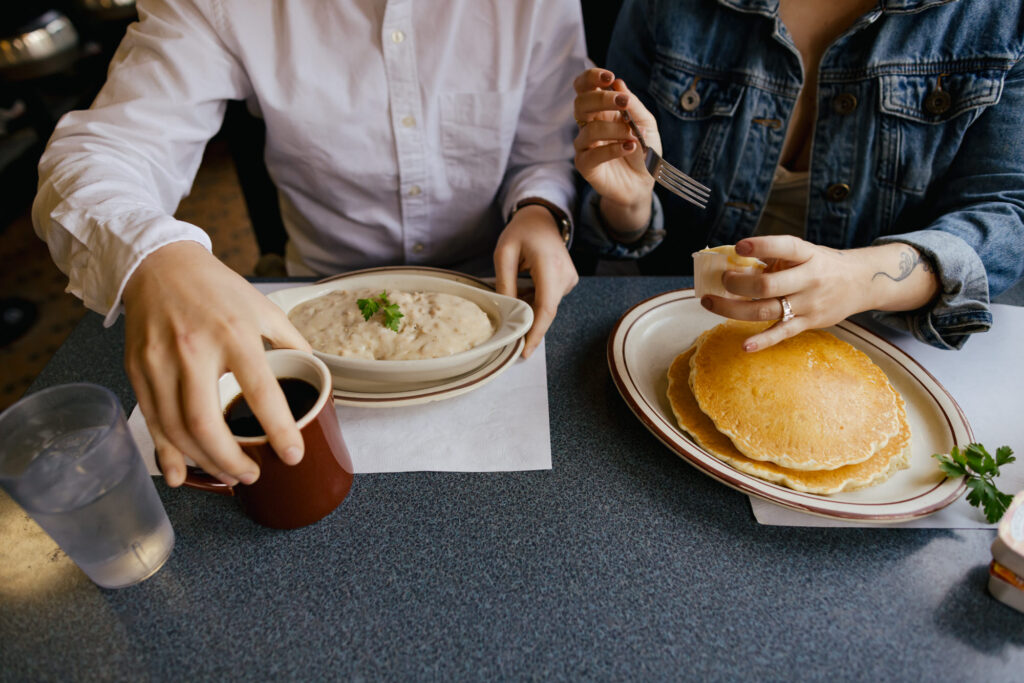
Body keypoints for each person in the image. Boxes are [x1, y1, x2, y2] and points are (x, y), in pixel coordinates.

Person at [32, 0, 588, 487]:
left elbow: (545, 148)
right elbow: (97, 154)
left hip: (491, 285)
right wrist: (156, 257)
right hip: (305, 303)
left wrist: (538, 209)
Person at [573, 0, 1024, 353]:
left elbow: (1007, 214)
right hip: (666, 321)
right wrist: (629, 203)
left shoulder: (1001, 16)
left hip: (885, 339)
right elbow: (626, 212)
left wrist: (862, 277)